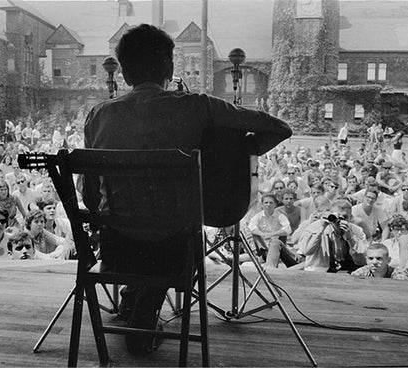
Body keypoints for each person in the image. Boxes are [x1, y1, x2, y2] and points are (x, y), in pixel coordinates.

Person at [82, 24, 292, 355]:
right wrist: (236, 155)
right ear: (170, 67)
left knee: (141, 230)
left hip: (117, 247)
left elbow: (89, 196)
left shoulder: (97, 116)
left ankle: (136, 298)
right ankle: (143, 309)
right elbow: (280, 128)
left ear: (122, 73)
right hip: (174, 248)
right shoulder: (199, 106)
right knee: (172, 232)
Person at [297, 199, 368, 273]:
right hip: (321, 270)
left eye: (345, 217)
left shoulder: (357, 231)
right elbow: (307, 251)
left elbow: (361, 261)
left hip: (349, 270)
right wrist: (320, 229)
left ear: (351, 217)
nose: (339, 221)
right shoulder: (315, 227)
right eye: (337, 217)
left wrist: (351, 239)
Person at [248, 194, 295, 269]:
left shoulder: (280, 216)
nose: (268, 205)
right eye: (266, 203)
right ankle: (262, 255)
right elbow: (251, 227)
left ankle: (269, 262)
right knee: (255, 234)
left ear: (275, 205)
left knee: (276, 241)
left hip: (276, 244)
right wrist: (262, 234)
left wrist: (271, 234)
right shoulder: (258, 216)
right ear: (262, 205)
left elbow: (288, 229)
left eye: (271, 203)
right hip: (263, 245)